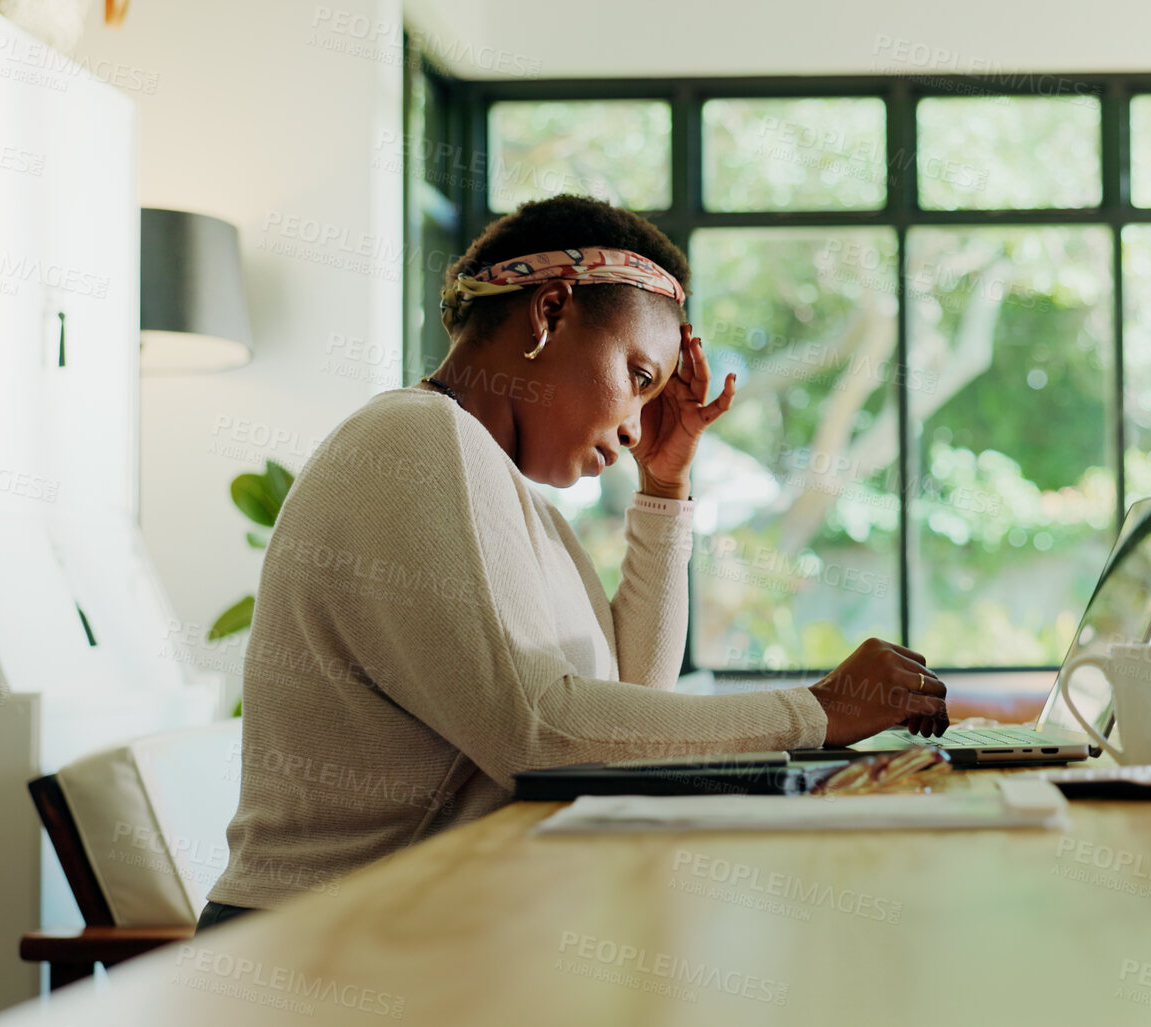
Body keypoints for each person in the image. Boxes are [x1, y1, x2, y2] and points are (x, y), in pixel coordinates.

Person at [199, 195, 947, 929]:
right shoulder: (413, 438)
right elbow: (541, 736)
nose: (634, 427)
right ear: (549, 311)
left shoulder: (522, 506)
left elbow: (627, 715)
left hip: (416, 931)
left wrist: (665, 488)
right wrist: (815, 711)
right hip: (317, 947)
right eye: (638, 378)